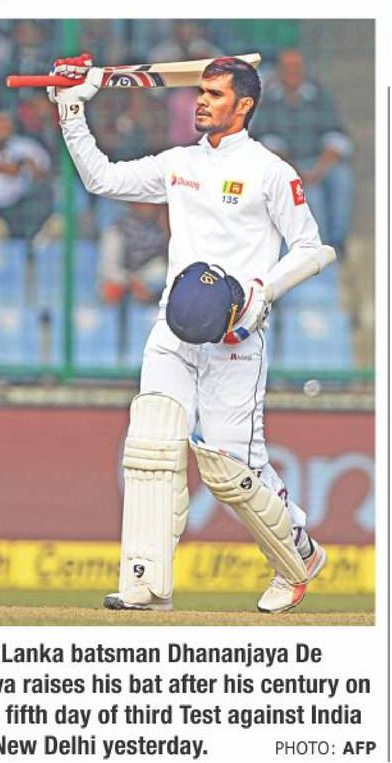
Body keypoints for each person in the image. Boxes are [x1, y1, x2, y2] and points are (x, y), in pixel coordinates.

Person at [47, 52, 332, 614]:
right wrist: (71, 112)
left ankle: (296, 558)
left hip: (235, 338)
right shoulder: (179, 162)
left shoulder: (271, 171)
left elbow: (312, 248)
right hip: (173, 329)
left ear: (243, 105)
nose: (201, 101)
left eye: (215, 94)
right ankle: (146, 582)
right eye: (201, 91)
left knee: (231, 469)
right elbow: (102, 178)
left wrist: (261, 293)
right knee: (152, 443)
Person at [251, 49, 353, 257]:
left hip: (318, 162)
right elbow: (265, 140)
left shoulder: (319, 96)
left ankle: (337, 241)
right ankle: (313, 249)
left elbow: (337, 135)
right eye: (287, 67)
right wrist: (296, 170)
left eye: (296, 66)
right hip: (285, 164)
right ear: (279, 71)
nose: (292, 71)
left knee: (343, 178)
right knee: (311, 194)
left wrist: (319, 169)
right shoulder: (269, 100)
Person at [0, 109, 53, 239]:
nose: (3, 129)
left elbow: (45, 175)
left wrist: (26, 166)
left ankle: (34, 238)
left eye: (6, 124)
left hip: (18, 205)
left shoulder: (26, 147)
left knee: (43, 190)